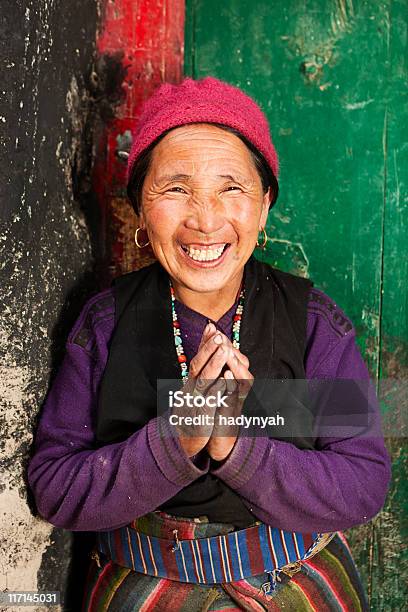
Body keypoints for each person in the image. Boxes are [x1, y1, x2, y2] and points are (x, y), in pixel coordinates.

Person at [27, 77, 391, 611]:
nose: (205, 219)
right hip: (143, 576)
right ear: (140, 211)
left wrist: (234, 447)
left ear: (264, 206)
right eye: (175, 189)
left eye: (232, 188)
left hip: (290, 573)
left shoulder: (311, 325)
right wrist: (178, 436)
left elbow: (362, 482)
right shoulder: (106, 325)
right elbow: (54, 486)